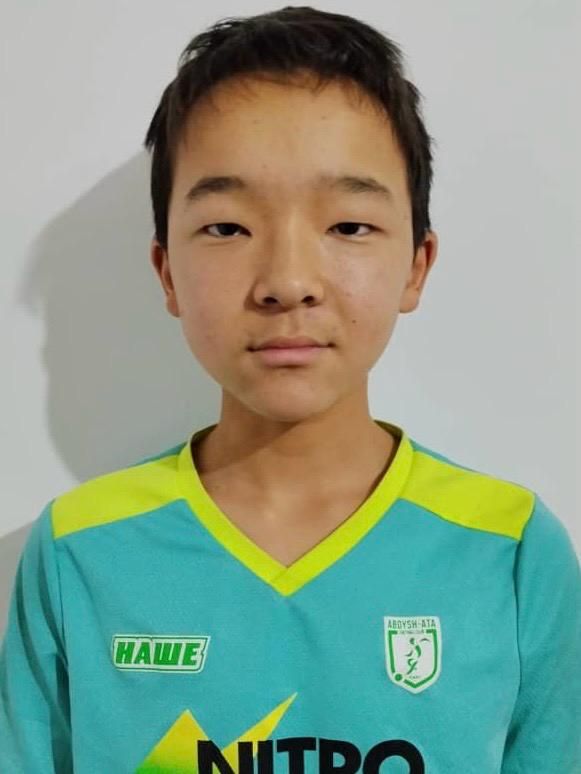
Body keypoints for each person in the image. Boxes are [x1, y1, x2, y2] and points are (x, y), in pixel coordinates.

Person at [1, 5, 579, 773]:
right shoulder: (81, 548)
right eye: (227, 228)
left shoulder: (506, 548)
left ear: (416, 264)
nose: (287, 281)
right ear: (166, 271)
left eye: (347, 226)